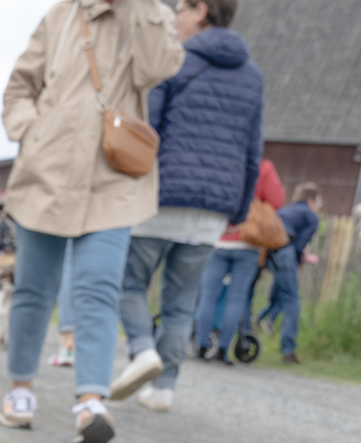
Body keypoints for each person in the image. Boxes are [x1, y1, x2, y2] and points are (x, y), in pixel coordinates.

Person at [0, 0, 182, 443]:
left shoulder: (149, 12)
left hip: (112, 179)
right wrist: (30, 130)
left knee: (98, 287)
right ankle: (20, 389)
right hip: (49, 170)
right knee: (33, 288)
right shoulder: (61, 15)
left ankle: (91, 402)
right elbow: (19, 86)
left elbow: (159, 67)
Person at [110, 0, 262, 413]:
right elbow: (253, 151)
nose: (173, 15)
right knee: (181, 303)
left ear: (201, 11)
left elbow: (147, 130)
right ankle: (164, 389)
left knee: (127, 284)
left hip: (161, 196)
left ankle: (143, 350)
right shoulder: (252, 76)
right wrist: (238, 208)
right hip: (212, 210)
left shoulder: (173, 60)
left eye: (180, 7)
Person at [193, 156, 281, 363]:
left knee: (208, 295)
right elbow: (277, 200)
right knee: (237, 297)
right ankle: (223, 349)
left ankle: (201, 345)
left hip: (219, 237)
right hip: (248, 241)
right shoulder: (263, 167)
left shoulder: (224, 162)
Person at [258, 180, 321, 363]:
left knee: (278, 290)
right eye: (319, 202)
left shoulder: (285, 210)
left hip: (264, 249)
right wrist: (298, 262)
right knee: (292, 299)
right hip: (284, 250)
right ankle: (288, 350)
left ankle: (258, 321)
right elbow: (299, 245)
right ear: (311, 200)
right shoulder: (310, 216)